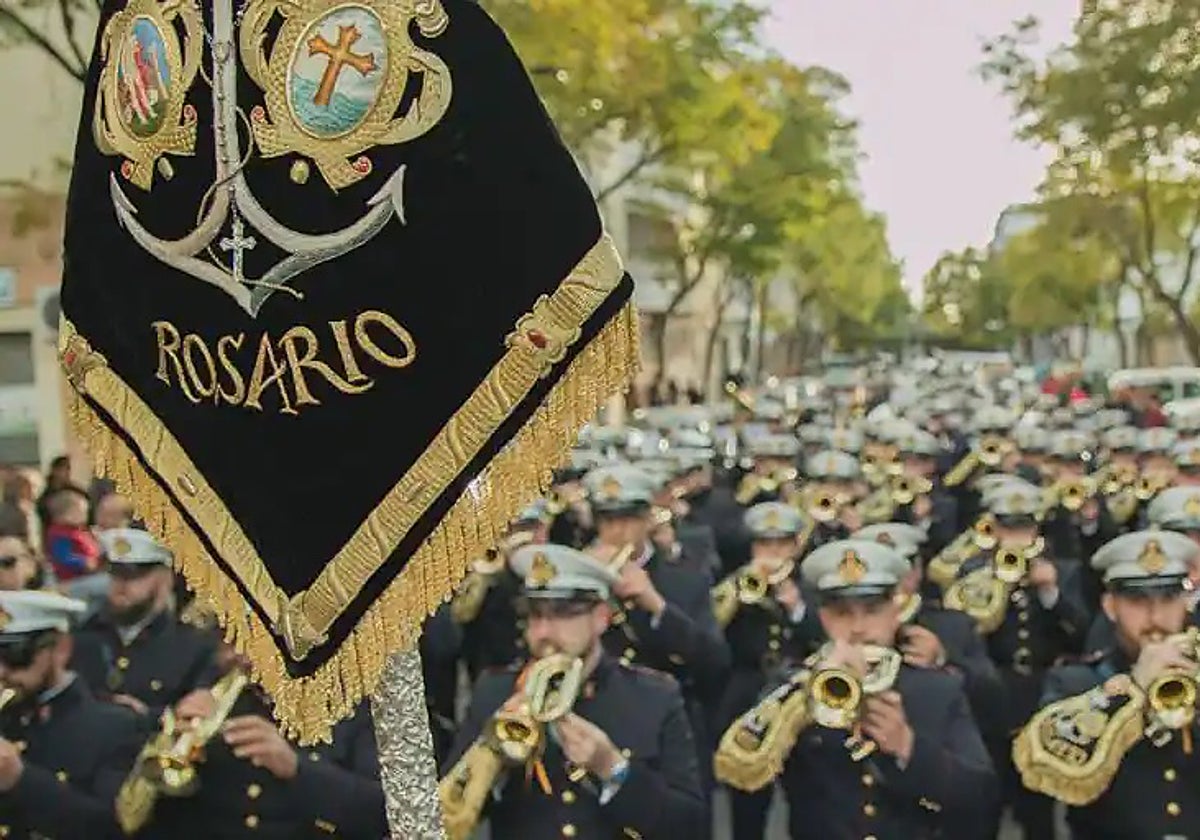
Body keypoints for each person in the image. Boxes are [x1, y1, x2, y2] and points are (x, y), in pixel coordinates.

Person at [714, 538, 998, 839]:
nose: (858, 628)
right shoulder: (792, 684)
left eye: (872, 611)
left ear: (895, 610)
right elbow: (741, 770)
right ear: (823, 617)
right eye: (842, 613)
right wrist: (797, 700)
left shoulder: (936, 687)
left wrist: (908, 747)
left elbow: (980, 795)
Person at [440, 541, 707, 839]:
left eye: (561, 614)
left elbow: (689, 825)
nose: (542, 632)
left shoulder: (654, 695)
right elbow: (445, 815)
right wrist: (489, 757)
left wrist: (614, 769)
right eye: (535, 615)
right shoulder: (496, 690)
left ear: (601, 617)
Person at [1015, 530, 1200, 837]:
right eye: (1138, 601)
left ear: (1186, 602)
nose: (1156, 616)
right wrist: (1135, 688)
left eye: (1168, 598)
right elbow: (1046, 763)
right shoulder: (1077, 680)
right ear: (1110, 606)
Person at [123, 635, 387, 839]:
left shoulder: (350, 708)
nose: (243, 654)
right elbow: (133, 815)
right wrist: (171, 736)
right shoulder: (213, 690)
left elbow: (380, 812)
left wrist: (297, 768)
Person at [0, 589, 143, 839]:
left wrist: (22, 780)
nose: (2, 672)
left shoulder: (115, 726)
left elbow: (114, 825)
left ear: (61, 648)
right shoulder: (6, 719)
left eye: (16, 656)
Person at [70, 528, 218, 720]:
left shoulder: (193, 646)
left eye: (135, 575)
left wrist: (148, 716)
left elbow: (197, 715)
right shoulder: (82, 635)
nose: (121, 586)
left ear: (165, 579)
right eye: (116, 573)